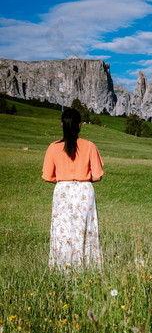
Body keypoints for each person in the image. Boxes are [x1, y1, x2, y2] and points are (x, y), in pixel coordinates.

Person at [42, 108, 104, 270]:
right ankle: (88, 266)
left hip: (62, 190)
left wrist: (64, 179)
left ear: (62, 124)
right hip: (84, 190)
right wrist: (82, 177)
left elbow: (48, 177)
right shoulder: (90, 146)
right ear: (80, 125)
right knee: (86, 228)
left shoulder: (53, 147)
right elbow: (98, 176)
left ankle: (62, 266)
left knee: (62, 230)